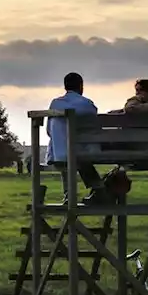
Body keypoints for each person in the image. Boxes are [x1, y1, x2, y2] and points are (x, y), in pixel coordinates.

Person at [46, 72, 108, 203]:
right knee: (79, 157)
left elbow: (48, 130)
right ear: (81, 86)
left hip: (60, 153)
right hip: (84, 150)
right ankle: (98, 189)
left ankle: (70, 195)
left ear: (65, 87)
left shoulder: (55, 104)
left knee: (65, 153)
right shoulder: (87, 104)